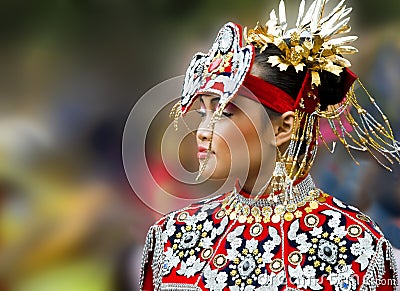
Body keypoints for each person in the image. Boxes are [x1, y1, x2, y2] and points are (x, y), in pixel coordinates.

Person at [140, 1, 399, 290]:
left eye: (225, 113)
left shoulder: (357, 247)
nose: (202, 131)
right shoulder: (172, 239)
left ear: (282, 128)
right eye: (203, 113)